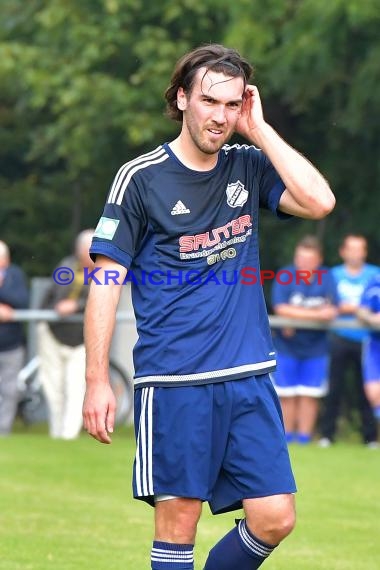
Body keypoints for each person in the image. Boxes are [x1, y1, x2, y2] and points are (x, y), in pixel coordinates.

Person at [83, 44, 335, 570]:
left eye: (230, 104)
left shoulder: (248, 166)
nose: (219, 116)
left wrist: (260, 130)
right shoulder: (141, 178)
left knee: (275, 517)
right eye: (208, 101)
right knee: (179, 527)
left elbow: (319, 202)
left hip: (248, 376)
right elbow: (105, 280)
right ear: (181, 99)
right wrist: (96, 380)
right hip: (176, 382)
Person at [271, 235, 338, 444]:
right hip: (286, 346)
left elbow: (332, 310)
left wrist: (295, 315)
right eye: (300, 258)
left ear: (318, 260)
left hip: (316, 348)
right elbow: (280, 308)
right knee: (287, 395)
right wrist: (315, 314)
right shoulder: (285, 275)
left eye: (309, 260)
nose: (304, 264)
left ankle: (304, 440)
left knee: (309, 396)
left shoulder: (327, 277)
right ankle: (287, 439)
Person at [318, 234, 379, 447]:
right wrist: (361, 309)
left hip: (367, 341)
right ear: (343, 251)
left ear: (365, 252)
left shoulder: (375, 274)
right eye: (351, 249)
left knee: (367, 389)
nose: (355, 253)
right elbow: (328, 305)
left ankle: (370, 437)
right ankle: (327, 435)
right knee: (334, 387)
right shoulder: (333, 274)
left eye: (359, 249)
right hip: (338, 337)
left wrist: (348, 308)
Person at [38, 229, 94, 440]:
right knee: (53, 387)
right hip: (53, 332)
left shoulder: (104, 271)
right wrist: (59, 307)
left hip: (81, 338)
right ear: (79, 251)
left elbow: (100, 299)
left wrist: (76, 305)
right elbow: (54, 297)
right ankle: (57, 434)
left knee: (76, 386)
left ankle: (69, 435)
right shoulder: (66, 266)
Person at [0, 241, 29, 436]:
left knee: (9, 391)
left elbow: (22, 300)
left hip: (11, 344)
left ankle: (3, 430)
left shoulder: (15, 275)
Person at [357, 272, 380, 425]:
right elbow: (361, 311)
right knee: (373, 394)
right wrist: (372, 318)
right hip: (375, 344)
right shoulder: (375, 280)